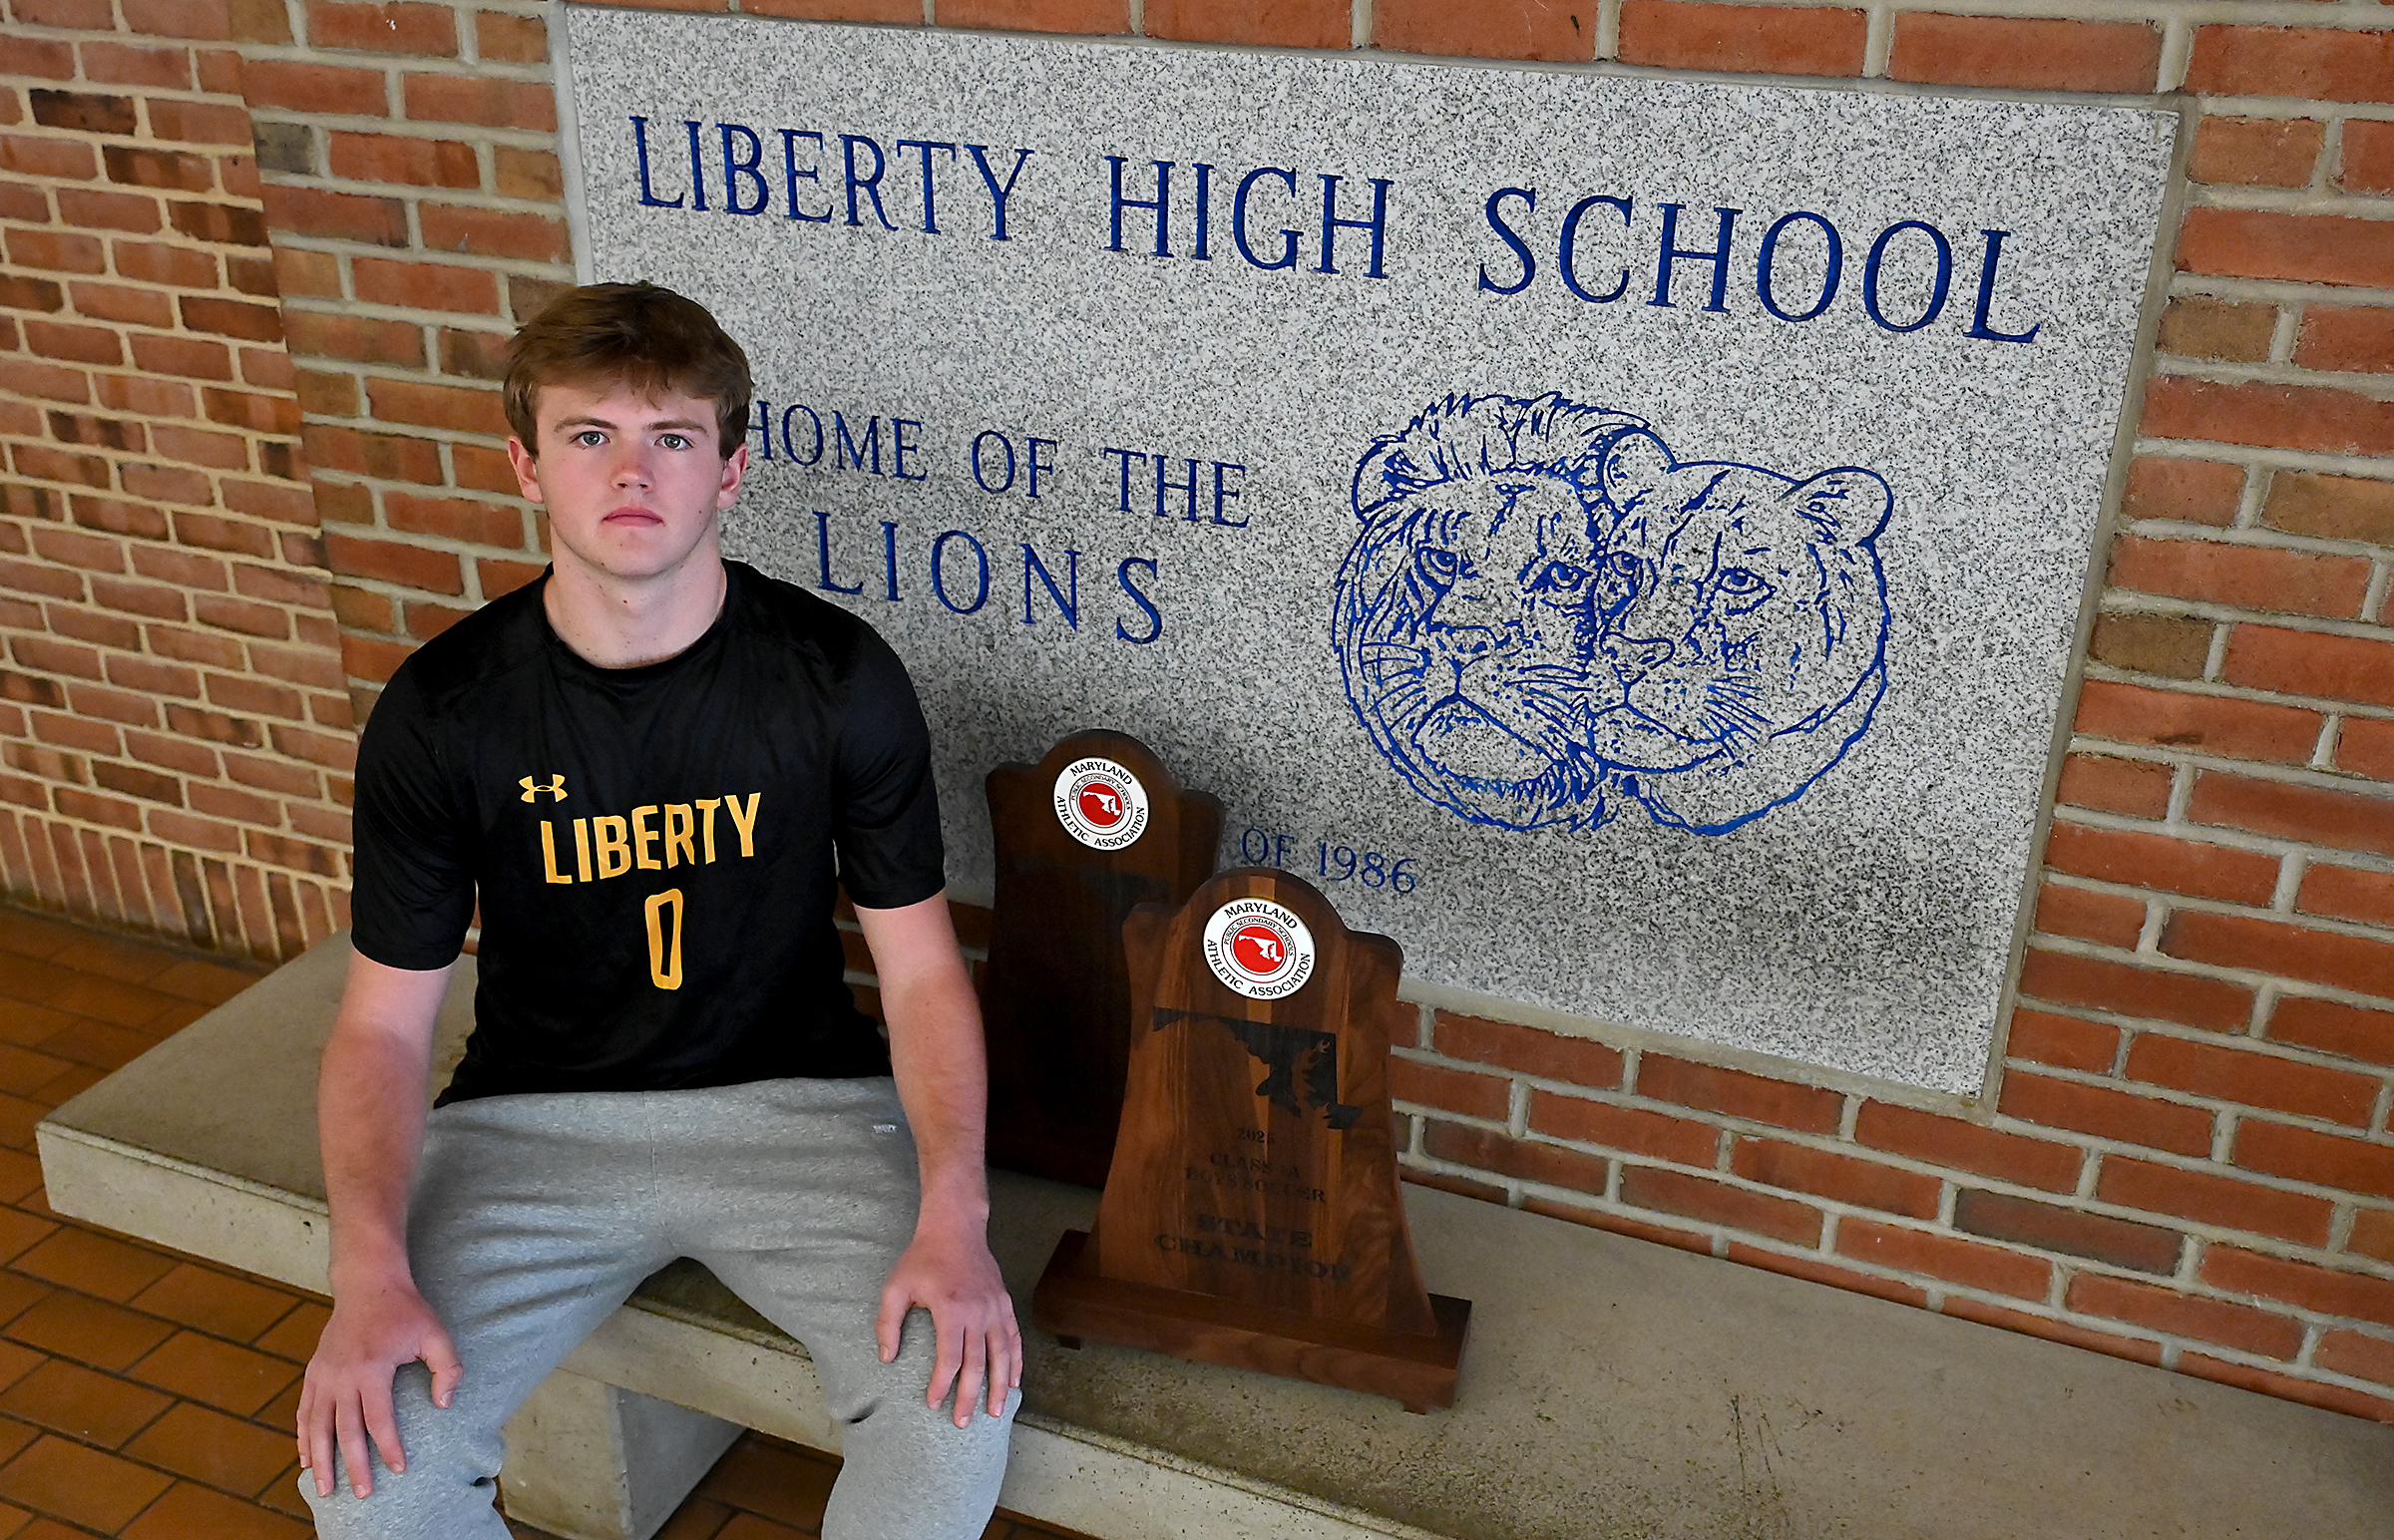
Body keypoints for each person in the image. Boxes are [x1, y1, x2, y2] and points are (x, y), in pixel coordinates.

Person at [295, 280, 1018, 1539]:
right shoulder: (445, 707)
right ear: (527, 465)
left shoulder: (836, 678)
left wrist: (957, 1211)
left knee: (953, 1413)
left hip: (797, 1108)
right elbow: (382, 1029)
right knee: (375, 1469)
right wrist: (367, 1268)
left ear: (730, 470)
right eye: (590, 436)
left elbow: (919, 976)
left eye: (671, 438)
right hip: (532, 1125)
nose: (633, 472)